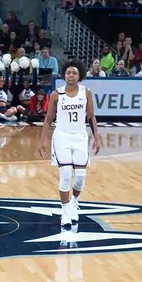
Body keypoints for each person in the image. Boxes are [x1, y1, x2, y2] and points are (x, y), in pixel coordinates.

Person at [37, 64, 100, 228]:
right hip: (62, 137)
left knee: (80, 177)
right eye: (68, 72)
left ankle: (74, 202)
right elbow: (48, 118)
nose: (71, 75)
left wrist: (97, 138)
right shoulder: (56, 95)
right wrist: (43, 140)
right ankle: (65, 211)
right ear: (64, 76)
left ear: (79, 76)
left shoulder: (86, 93)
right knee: (65, 173)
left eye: (74, 72)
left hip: (80, 137)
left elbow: (91, 117)